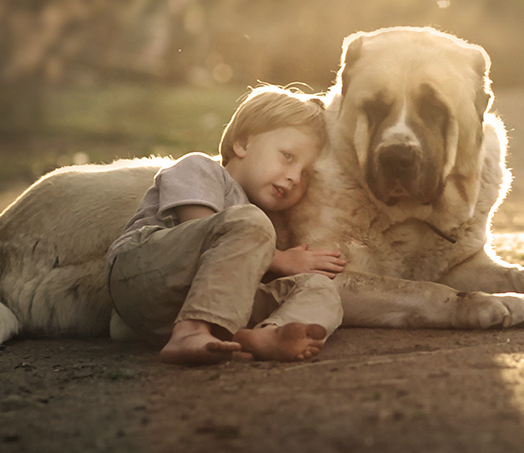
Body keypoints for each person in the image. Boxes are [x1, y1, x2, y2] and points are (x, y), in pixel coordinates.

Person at [107, 86, 346, 365]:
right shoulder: (199, 168)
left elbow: (232, 269)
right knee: (251, 224)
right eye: (288, 157)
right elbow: (203, 228)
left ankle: (265, 334)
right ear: (243, 143)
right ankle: (190, 332)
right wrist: (280, 259)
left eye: (306, 173)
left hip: (199, 306)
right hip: (144, 276)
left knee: (320, 288)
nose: (294, 177)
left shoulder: (259, 217)